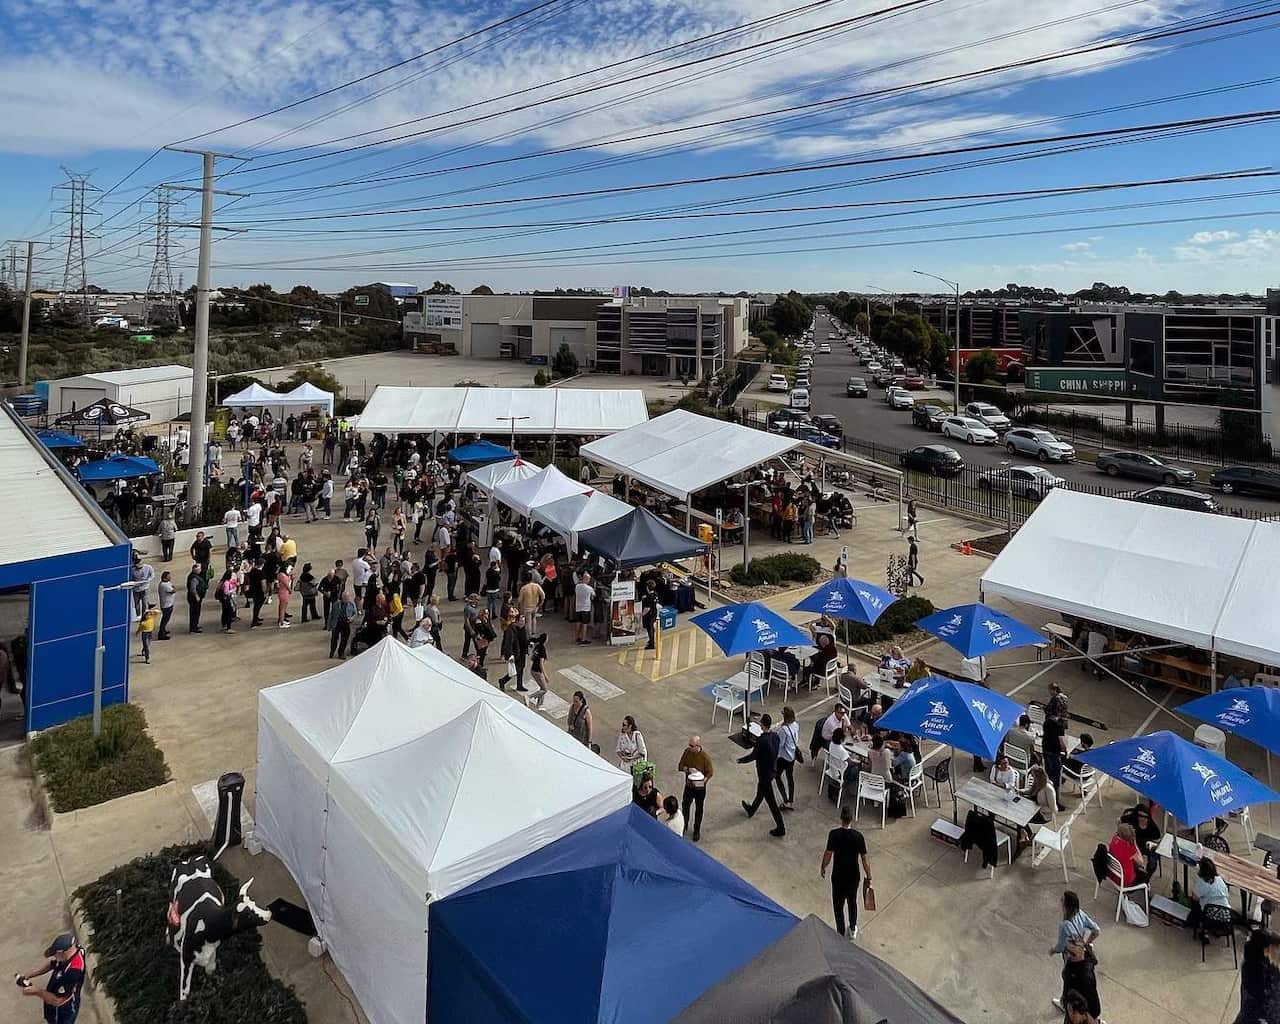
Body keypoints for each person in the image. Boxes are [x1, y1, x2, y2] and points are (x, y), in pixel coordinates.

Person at [821, 804, 871, 939]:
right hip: (853, 877)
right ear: (851, 819)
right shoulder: (858, 837)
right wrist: (869, 875)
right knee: (852, 902)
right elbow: (864, 859)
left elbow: (828, 854)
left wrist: (823, 867)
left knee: (838, 906)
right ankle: (853, 928)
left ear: (841, 818)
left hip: (838, 876)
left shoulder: (834, 835)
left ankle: (840, 932)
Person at [1049, 890, 1101, 1014]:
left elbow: (1061, 947)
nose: (1061, 902)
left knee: (1067, 980)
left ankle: (1064, 1003)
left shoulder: (1064, 926)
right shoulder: (1081, 914)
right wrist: (1086, 943)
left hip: (1071, 960)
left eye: (1062, 901)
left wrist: (1053, 950)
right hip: (1083, 957)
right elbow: (1096, 930)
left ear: (1066, 906)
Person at [16, 931, 85, 1024]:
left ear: (62, 952)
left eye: (55, 954)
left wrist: (36, 991)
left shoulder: (73, 972)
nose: (54, 957)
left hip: (63, 1010)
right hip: (52, 998)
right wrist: (30, 974)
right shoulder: (73, 951)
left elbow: (57, 1000)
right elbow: (52, 964)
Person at [739, 713, 785, 838]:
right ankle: (751, 810)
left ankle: (781, 827)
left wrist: (741, 760)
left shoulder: (761, 741)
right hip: (772, 771)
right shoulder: (775, 737)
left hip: (764, 774)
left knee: (771, 802)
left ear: (762, 725)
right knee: (761, 793)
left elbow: (753, 756)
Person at [678, 735, 713, 842]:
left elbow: (710, 772)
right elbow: (680, 766)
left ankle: (696, 830)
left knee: (699, 809)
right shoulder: (687, 752)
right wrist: (688, 769)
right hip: (689, 786)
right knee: (685, 806)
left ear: (698, 746)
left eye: (692, 746)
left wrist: (702, 781)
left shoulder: (705, 757)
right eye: (689, 745)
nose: (690, 747)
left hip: (700, 789)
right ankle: (684, 825)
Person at [1188, 856, 1231, 938]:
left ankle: (1198, 925)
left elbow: (1195, 898)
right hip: (1226, 916)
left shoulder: (1202, 882)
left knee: (1194, 903)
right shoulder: (1219, 879)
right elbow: (1226, 894)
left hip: (1210, 917)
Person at [1118, 802, 1162, 878]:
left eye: (1145, 817)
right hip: (1135, 845)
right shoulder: (1132, 819)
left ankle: (1147, 877)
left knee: (1153, 858)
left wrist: (1151, 843)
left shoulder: (1152, 826)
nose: (1143, 818)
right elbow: (1119, 820)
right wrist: (1121, 832)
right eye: (1140, 816)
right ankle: (1137, 874)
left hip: (1146, 846)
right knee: (1135, 861)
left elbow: (1158, 838)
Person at [774, 706, 801, 809]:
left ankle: (785, 799)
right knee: (790, 778)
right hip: (792, 756)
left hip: (783, 757)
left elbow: (780, 744)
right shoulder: (796, 725)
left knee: (777, 776)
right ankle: (791, 799)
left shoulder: (784, 730)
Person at [1107, 822, 1148, 887]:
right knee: (1145, 875)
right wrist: (1135, 845)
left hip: (1114, 874)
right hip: (1125, 881)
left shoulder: (1114, 839)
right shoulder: (1129, 849)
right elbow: (1141, 862)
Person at [328, 590, 358, 659]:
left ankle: (341, 652)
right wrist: (329, 626)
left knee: (344, 639)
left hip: (346, 623)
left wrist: (351, 618)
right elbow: (331, 615)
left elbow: (355, 613)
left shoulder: (352, 604)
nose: (346, 600)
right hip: (337, 623)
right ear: (342, 598)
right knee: (334, 639)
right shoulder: (336, 604)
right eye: (345, 598)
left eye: (347, 598)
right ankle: (332, 651)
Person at [528, 632, 549, 707]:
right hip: (537, 671)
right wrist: (545, 676)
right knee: (544, 689)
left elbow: (532, 658)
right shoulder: (542, 649)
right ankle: (529, 697)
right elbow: (541, 664)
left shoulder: (537, 646)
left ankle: (539, 704)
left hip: (533, 669)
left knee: (541, 687)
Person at [574, 573, 594, 645]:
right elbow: (593, 596)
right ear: (586, 579)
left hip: (578, 607)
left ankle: (577, 637)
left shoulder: (577, 586)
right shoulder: (589, 588)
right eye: (589, 579)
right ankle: (583, 639)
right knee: (584, 624)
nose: (589, 581)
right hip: (586, 608)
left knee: (578, 623)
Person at [185, 563, 206, 633]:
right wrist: (197, 596)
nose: (200, 570)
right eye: (199, 569)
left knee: (196, 612)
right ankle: (193, 628)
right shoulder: (194, 578)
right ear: (195, 570)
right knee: (195, 613)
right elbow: (193, 589)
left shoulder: (194, 576)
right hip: (194, 599)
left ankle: (195, 625)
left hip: (195, 598)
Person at [156, 570, 176, 640]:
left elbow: (172, 587)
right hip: (166, 605)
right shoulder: (164, 585)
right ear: (164, 578)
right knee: (164, 620)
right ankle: (161, 634)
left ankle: (163, 630)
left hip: (169, 604)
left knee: (166, 619)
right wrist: (174, 588)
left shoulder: (167, 583)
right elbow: (173, 590)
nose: (170, 577)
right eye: (168, 576)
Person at [640, 581, 658, 651]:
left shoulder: (649, 598)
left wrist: (641, 615)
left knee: (649, 629)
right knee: (651, 628)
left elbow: (647, 608)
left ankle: (651, 644)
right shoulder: (655, 594)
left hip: (649, 615)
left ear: (648, 588)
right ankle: (651, 641)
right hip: (654, 613)